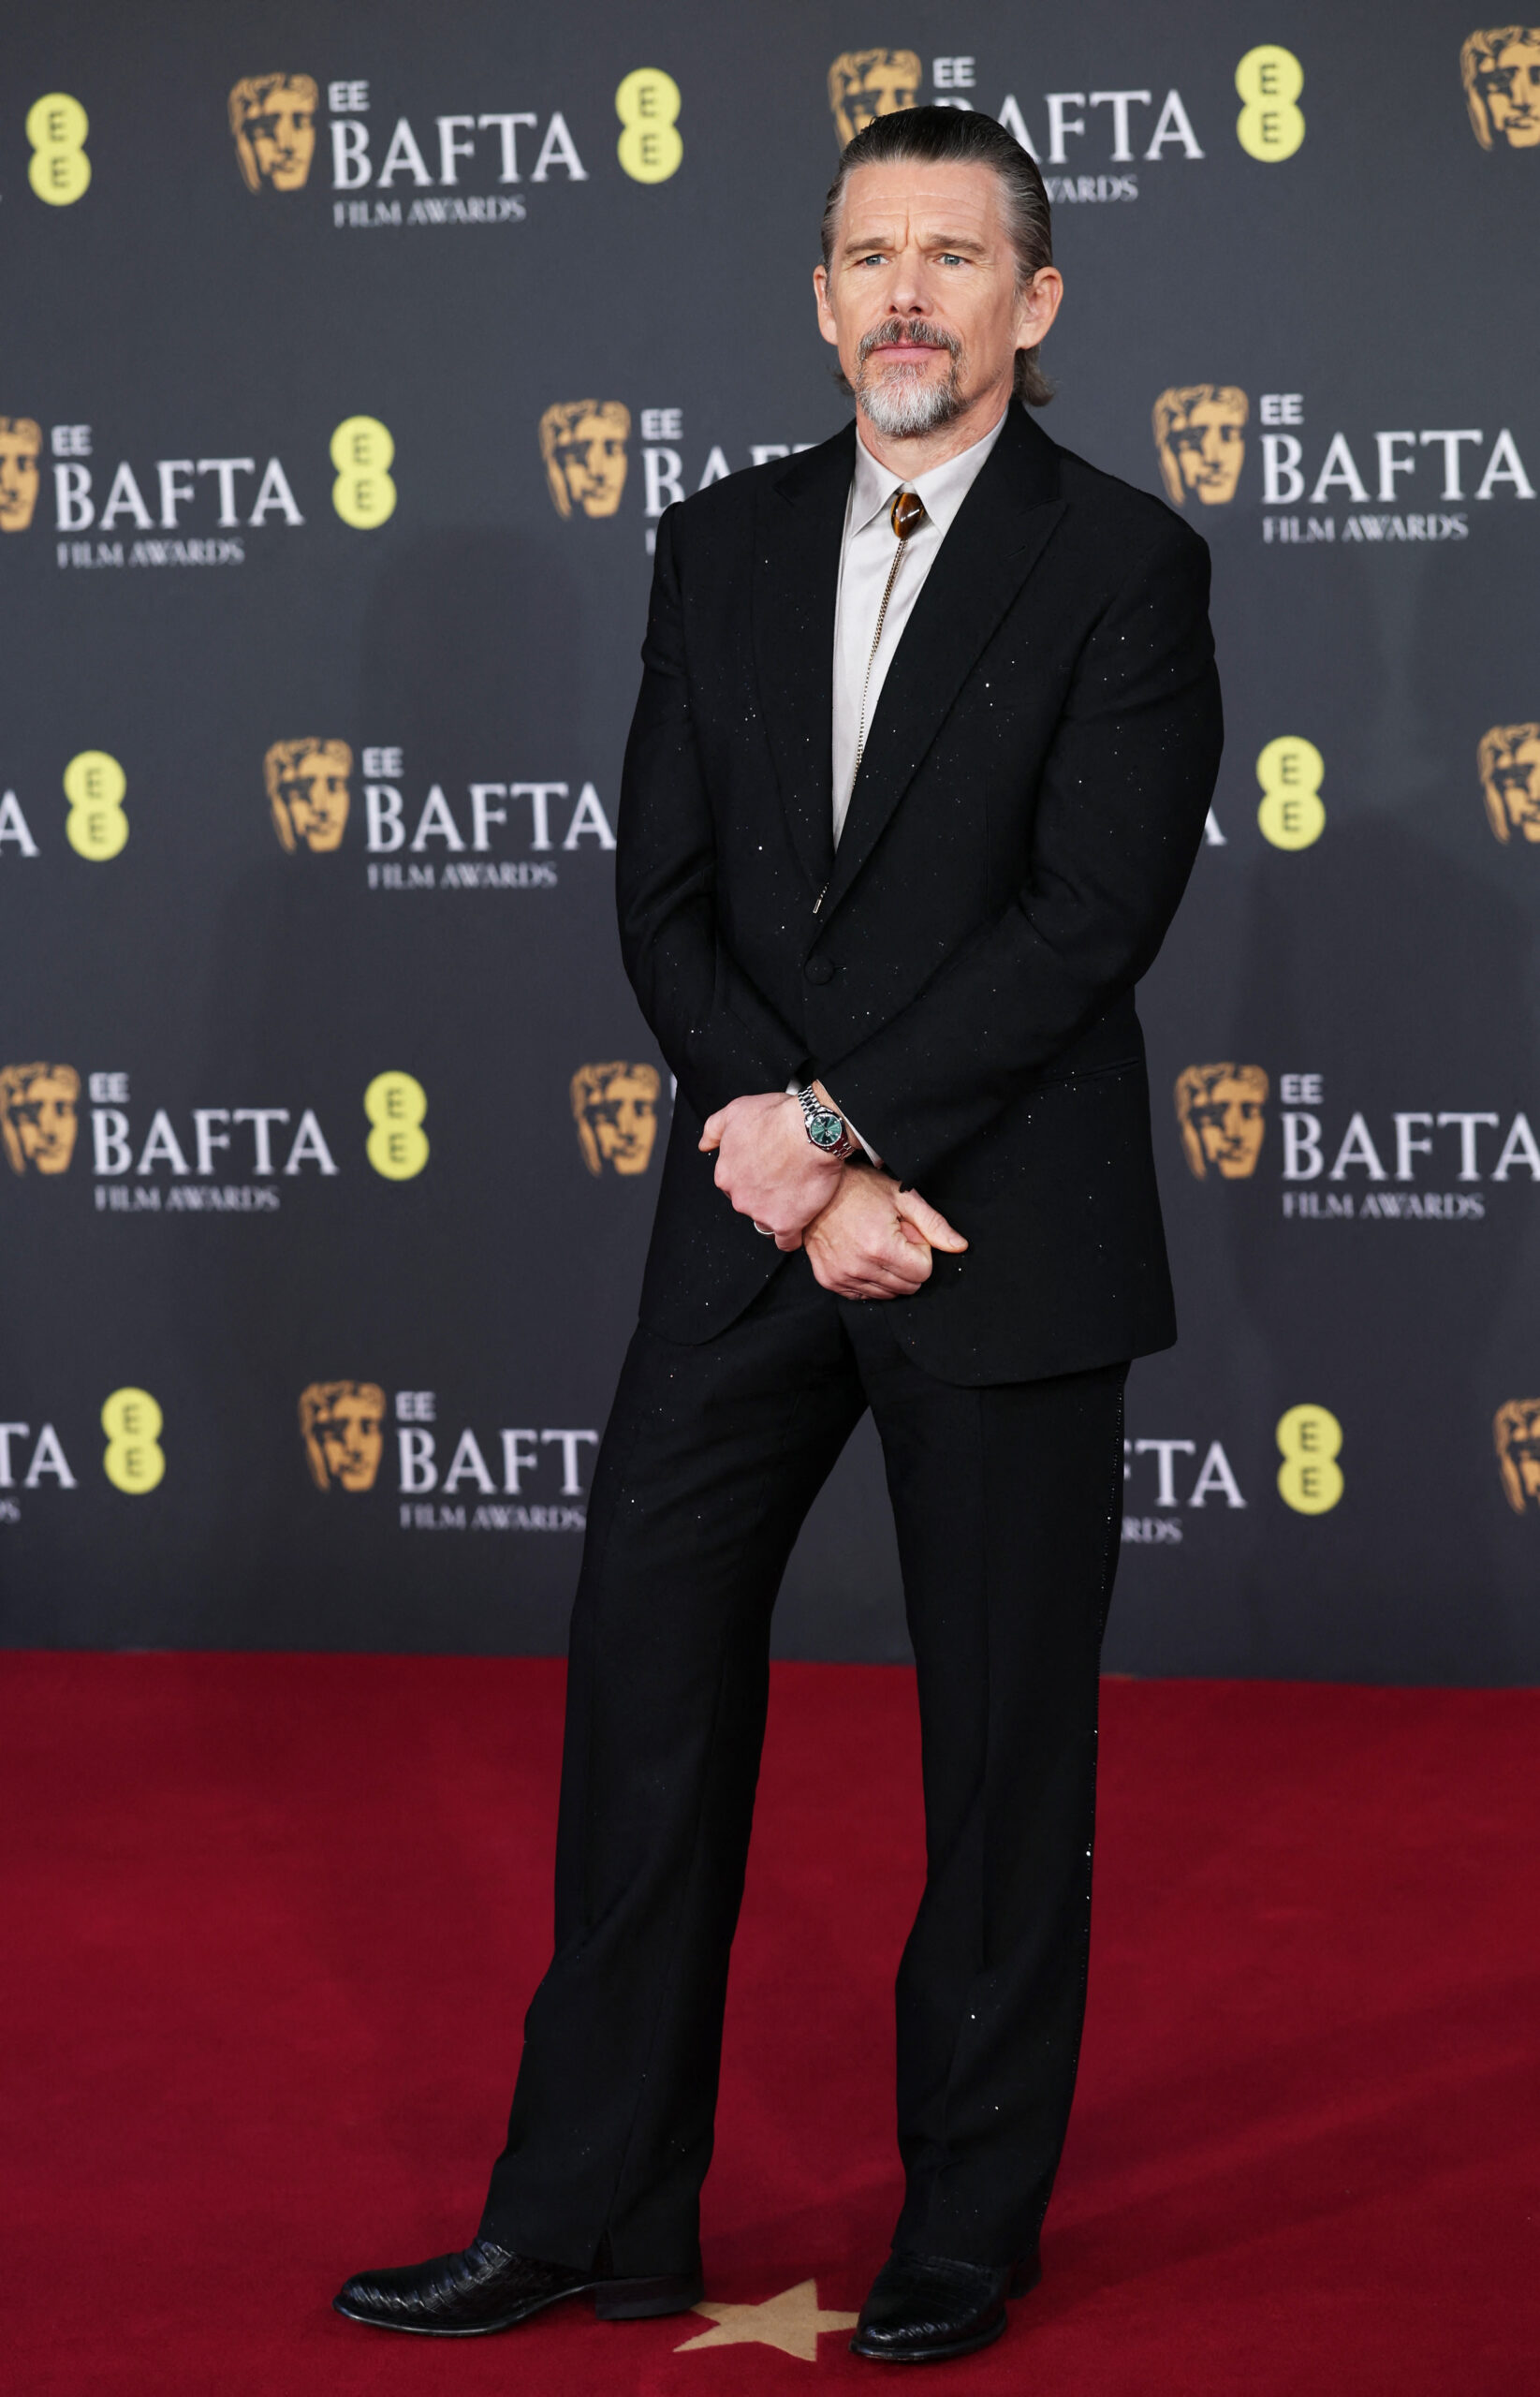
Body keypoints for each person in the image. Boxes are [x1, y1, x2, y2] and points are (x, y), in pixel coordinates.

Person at [335, 104, 1222, 2364]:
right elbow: (663, 888)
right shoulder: (714, 543)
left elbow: (1088, 914)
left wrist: (842, 1128)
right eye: (866, 254)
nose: (905, 292)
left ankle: (964, 2226)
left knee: (1002, 1759)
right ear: (818, 300)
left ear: (1037, 301)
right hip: (749, 1228)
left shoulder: (1123, 563)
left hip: (993, 1233)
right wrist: (787, 1161)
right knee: (639, 1711)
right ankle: (585, 2206)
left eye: (952, 252)